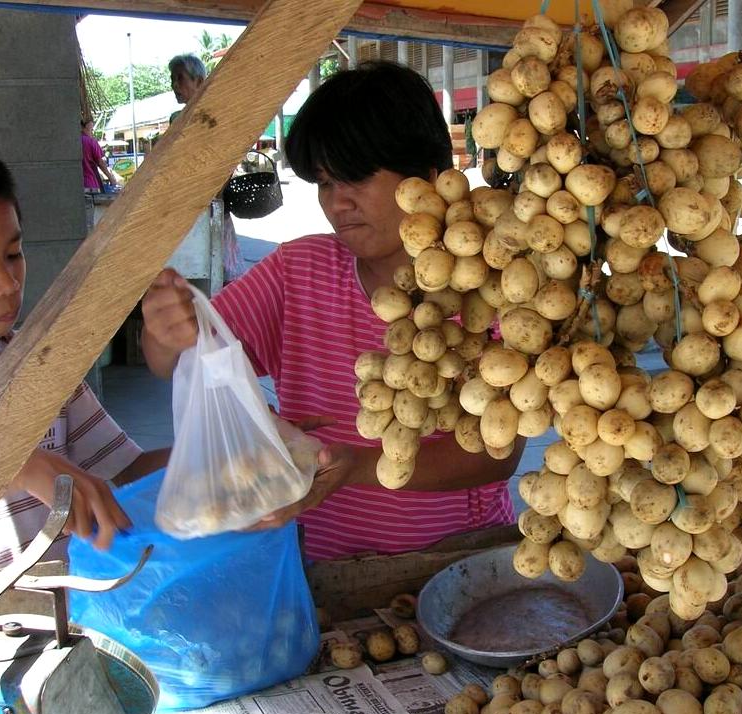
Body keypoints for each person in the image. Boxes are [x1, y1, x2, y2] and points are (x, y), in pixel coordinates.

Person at [141, 61, 521, 561]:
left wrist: (360, 467)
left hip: (463, 559)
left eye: (358, 178)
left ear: (428, 177)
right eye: (324, 183)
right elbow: (177, 360)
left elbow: (498, 455)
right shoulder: (298, 271)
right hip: (326, 570)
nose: (338, 203)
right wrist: (165, 331)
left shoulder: (491, 289)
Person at [0, 156, 168, 567]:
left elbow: (127, 468)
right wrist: (19, 462)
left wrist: (226, 448)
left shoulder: (41, 366)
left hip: (57, 615)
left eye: (13, 254)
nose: (6, 285)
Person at [167, 53, 244, 283]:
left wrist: (213, 200)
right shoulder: (176, 119)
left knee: (219, 276)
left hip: (211, 208)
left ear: (199, 81)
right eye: (172, 79)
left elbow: (226, 162)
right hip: (185, 208)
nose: (174, 86)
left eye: (180, 79)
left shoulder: (216, 116)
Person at [81, 118, 118, 193]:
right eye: (91, 130)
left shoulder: (71, 142)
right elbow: (100, 163)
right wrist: (111, 179)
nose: (92, 132)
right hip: (90, 185)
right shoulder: (90, 142)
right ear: (86, 126)